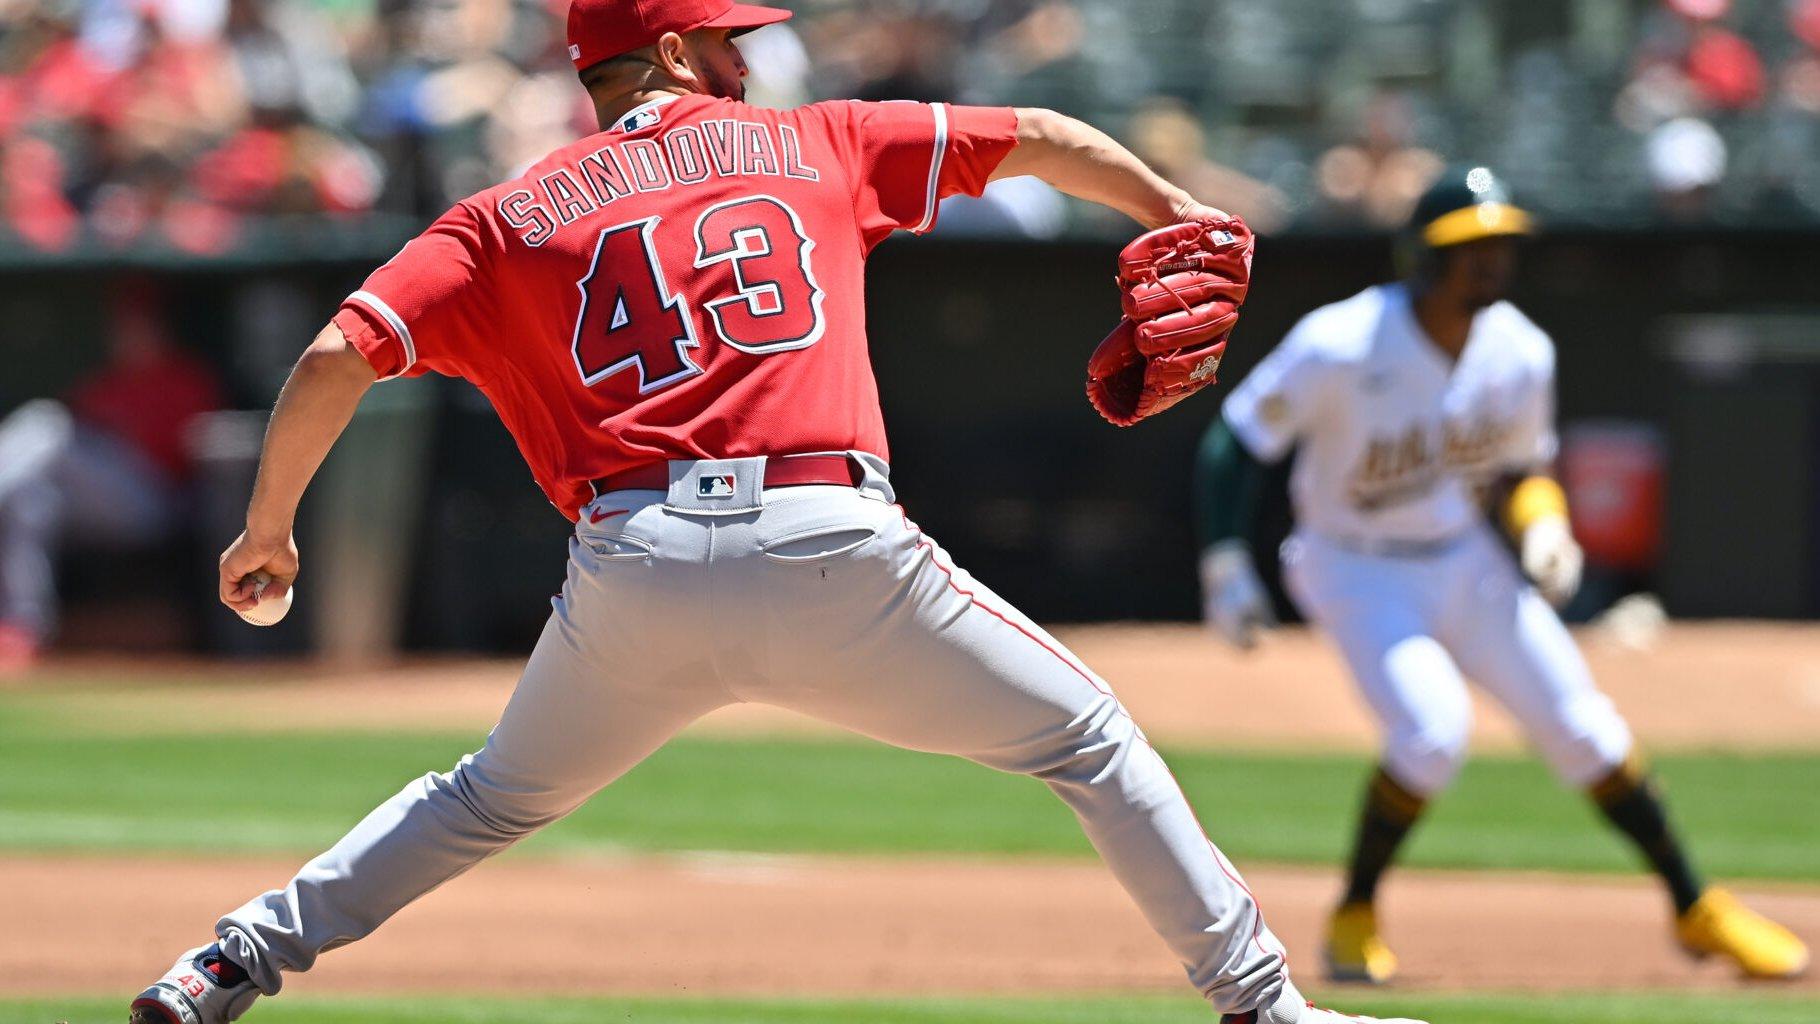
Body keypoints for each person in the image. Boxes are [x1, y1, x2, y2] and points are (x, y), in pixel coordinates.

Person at [127, 3, 1426, 1024]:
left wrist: (269, 530)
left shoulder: (503, 214)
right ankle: (1265, 1012)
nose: (750, 60)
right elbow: (1032, 128)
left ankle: (228, 962)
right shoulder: (819, 141)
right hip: (826, 543)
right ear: (683, 47)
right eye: (734, 40)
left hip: (629, 571)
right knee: (1084, 740)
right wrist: (1174, 208)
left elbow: (338, 355)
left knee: (480, 799)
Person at [1192, 165, 1811, 986]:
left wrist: (1545, 524)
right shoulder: (1343, 341)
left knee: (1589, 732)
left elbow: (1525, 469)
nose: (1491, 261)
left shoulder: (1519, 350)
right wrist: (1226, 558)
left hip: (1461, 554)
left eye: (1501, 244)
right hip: (1354, 563)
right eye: (1471, 247)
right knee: (1432, 732)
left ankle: (1697, 908)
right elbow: (1235, 443)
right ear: (1424, 254)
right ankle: (1354, 915)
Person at [0, 286, 223, 673]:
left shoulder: (184, 381)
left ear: (161, 329)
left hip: (156, 502)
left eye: (140, 326)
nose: (129, 335)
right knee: (30, 499)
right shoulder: (109, 382)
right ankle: (24, 629)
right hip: (103, 503)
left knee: (45, 424)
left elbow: (193, 459)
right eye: (124, 327)